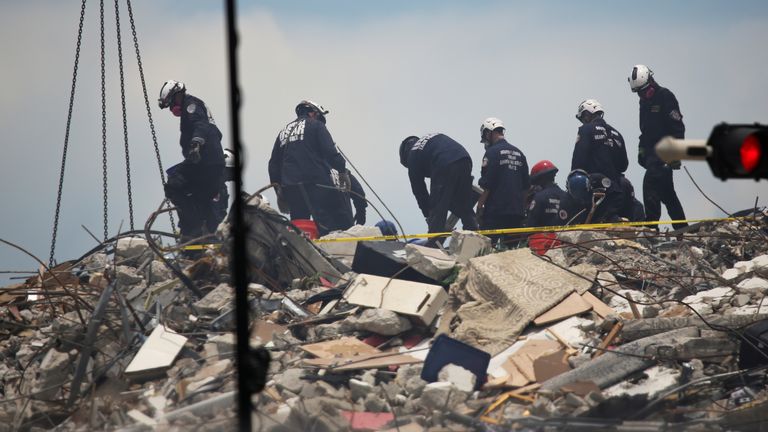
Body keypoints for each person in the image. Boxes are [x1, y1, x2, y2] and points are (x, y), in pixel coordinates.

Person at [268, 100, 352, 235]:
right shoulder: (316, 125)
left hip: (291, 188)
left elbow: (273, 164)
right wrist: (342, 171)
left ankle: (300, 254)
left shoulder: (282, 132)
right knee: (328, 226)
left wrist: (279, 190)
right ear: (313, 113)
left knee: (299, 229)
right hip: (316, 184)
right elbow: (330, 152)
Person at [158, 80, 225, 244]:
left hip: (203, 161)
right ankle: (205, 231)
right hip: (213, 163)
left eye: (171, 103)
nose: (172, 108)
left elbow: (200, 125)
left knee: (173, 185)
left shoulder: (191, 105)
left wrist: (196, 144)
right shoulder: (197, 106)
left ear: (177, 95)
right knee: (199, 196)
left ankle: (192, 227)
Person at [628, 65, 688, 230]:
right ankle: (682, 228)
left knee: (650, 184)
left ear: (651, 82)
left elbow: (678, 127)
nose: (641, 95)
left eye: (643, 91)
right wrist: (641, 151)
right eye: (638, 92)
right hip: (651, 154)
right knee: (667, 193)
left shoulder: (665, 96)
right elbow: (645, 132)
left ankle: (651, 227)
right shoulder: (644, 102)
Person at [399, 133, 478, 238]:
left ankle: (433, 245)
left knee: (437, 208)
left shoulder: (412, 155)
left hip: (443, 163)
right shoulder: (427, 142)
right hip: (464, 159)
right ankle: (474, 237)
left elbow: (419, 191)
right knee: (464, 205)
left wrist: (429, 215)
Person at [477, 118, 530, 232]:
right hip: (516, 213)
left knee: (487, 247)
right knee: (514, 248)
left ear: (488, 133)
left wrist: (479, 207)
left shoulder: (491, 153)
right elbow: (526, 188)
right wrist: (521, 209)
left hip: (495, 213)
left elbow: (487, 185)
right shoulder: (520, 154)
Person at [526, 160, 571, 228]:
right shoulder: (567, 197)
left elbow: (531, 225)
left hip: (543, 237)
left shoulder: (539, 198)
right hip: (564, 237)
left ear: (540, 179)